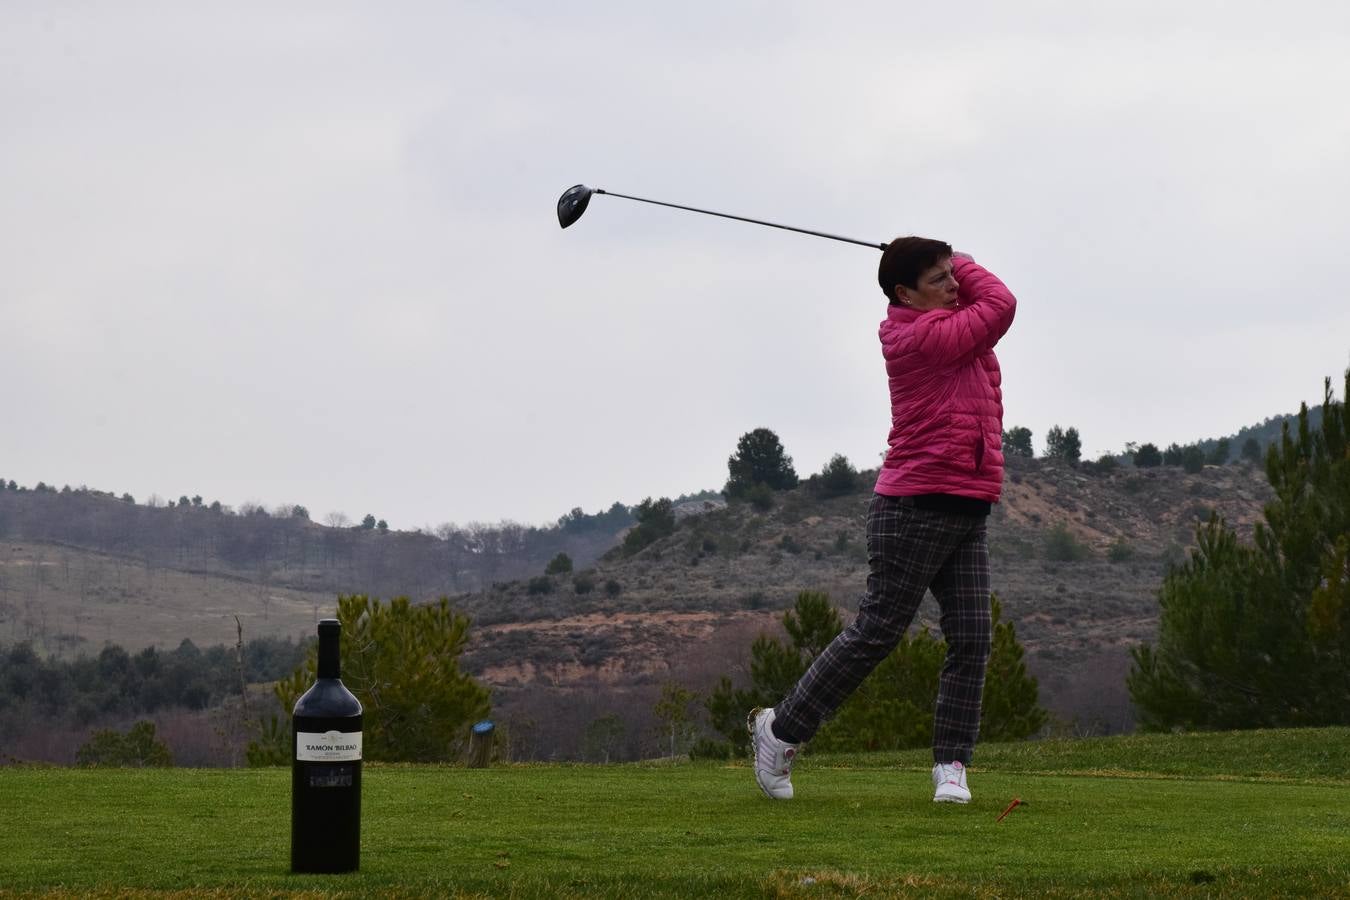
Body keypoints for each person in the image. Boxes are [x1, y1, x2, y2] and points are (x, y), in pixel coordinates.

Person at [749, 236, 1017, 804]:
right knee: (877, 632)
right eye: (939, 279)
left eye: (952, 274)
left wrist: (942, 264)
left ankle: (951, 767)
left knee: (972, 639)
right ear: (904, 293)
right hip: (914, 507)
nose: (953, 284)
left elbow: (983, 310)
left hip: (966, 504)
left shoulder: (943, 319)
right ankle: (780, 731)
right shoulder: (921, 335)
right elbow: (1002, 304)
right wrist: (965, 260)